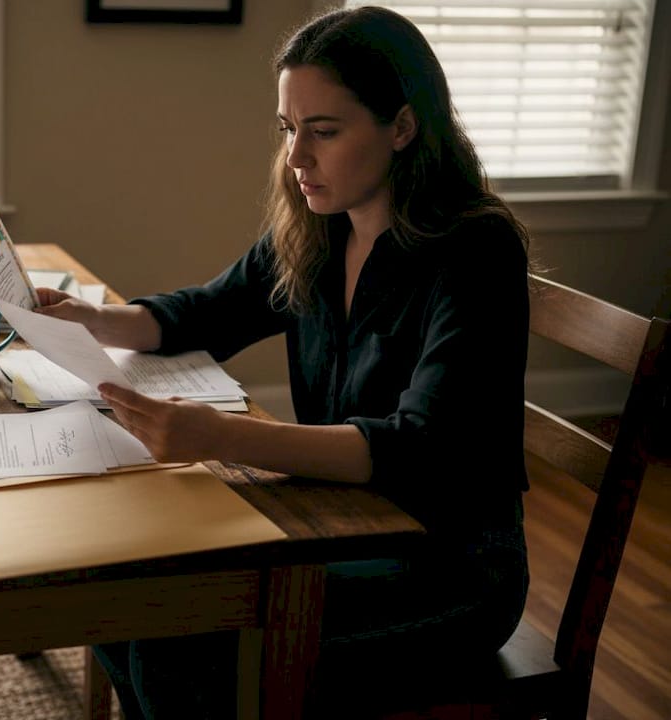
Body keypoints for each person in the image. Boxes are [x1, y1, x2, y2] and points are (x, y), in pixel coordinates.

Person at [35, 5, 532, 718]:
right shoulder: (319, 228)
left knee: (181, 647)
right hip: (336, 520)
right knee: (129, 599)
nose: (297, 157)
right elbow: (209, 309)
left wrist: (218, 436)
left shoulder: (474, 253)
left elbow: (419, 448)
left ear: (402, 125)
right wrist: (92, 317)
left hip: (447, 573)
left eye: (323, 132)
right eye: (289, 129)